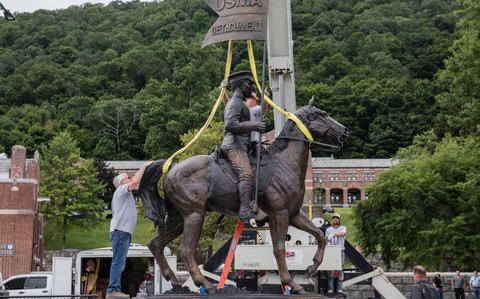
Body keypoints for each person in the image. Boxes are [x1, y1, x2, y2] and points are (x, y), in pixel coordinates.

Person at [221, 71, 266, 223]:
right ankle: (245, 210)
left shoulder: (239, 103)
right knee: (246, 174)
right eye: (249, 84)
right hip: (234, 146)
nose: (250, 88)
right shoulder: (235, 103)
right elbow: (230, 125)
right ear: (240, 85)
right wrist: (253, 125)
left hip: (243, 146)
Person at [106, 161, 153, 299]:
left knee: (120, 263)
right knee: (118, 262)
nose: (130, 179)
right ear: (121, 182)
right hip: (120, 232)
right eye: (127, 178)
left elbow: (137, 183)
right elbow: (135, 183)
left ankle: (114, 289)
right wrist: (144, 166)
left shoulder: (124, 194)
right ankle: (112, 290)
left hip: (123, 232)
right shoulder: (121, 190)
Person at [326, 213, 346, 294]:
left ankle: (339, 289)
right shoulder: (328, 229)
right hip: (331, 252)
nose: (335, 219)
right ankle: (330, 289)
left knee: (340, 270)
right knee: (331, 271)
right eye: (334, 217)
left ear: (339, 220)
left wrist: (334, 234)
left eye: (337, 218)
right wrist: (328, 241)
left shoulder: (342, 228)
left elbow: (343, 233)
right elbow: (326, 239)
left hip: (340, 251)